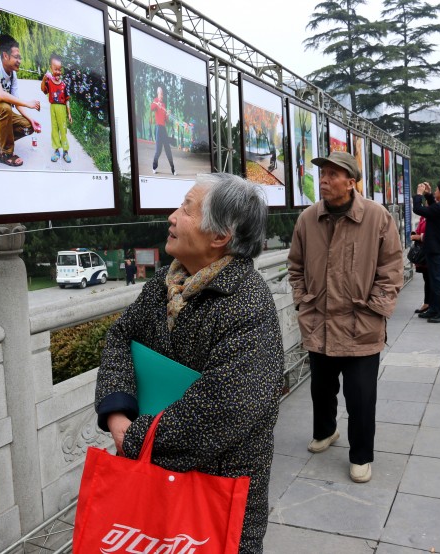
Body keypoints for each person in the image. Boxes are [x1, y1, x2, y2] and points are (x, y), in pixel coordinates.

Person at [95, 173, 283, 553]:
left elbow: (221, 411)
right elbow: (120, 338)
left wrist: (132, 437)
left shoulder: (248, 304)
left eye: (186, 208)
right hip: (154, 476)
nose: (172, 216)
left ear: (220, 236)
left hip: (218, 490)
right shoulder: (164, 284)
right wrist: (117, 413)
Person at [288, 151, 403, 484]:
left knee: (361, 396)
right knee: (321, 389)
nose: (323, 180)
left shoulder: (377, 217)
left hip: (360, 325)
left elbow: (392, 267)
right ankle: (326, 431)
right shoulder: (308, 218)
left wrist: (376, 308)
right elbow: (295, 266)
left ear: (351, 182)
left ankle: (361, 454)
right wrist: (301, 301)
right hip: (319, 322)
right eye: (321, 174)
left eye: (331, 175)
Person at [0, 34, 42, 167]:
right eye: (16, 57)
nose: (19, 60)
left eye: (20, 57)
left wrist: (31, 119)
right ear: (5, 56)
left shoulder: (13, 74)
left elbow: (16, 102)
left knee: (28, 126)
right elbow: (0, 95)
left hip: (1, 115)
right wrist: (28, 103)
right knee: (5, 106)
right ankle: (5, 154)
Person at [412, 179, 440, 323]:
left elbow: (418, 209)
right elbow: (433, 208)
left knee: (438, 282)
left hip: (437, 249)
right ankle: (434, 308)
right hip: (439, 247)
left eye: (437, 190)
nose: (435, 191)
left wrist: (419, 194)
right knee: (434, 281)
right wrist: (429, 194)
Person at [41, 53, 73, 163]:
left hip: (62, 108)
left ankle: (65, 151)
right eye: (55, 69)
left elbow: (67, 100)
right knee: (54, 130)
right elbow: (43, 89)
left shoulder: (64, 84)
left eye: (60, 69)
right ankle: (56, 151)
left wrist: (69, 113)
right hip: (53, 107)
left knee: (63, 130)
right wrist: (44, 78)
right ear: (51, 68)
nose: (58, 72)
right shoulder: (49, 82)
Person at [150, 86, 176, 176]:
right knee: (158, 151)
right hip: (158, 128)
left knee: (168, 149)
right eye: (161, 94)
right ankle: (154, 166)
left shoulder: (164, 105)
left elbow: (166, 120)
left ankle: (173, 169)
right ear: (158, 93)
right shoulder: (155, 100)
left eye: (162, 94)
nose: (162, 96)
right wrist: (157, 103)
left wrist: (167, 114)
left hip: (163, 129)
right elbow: (152, 108)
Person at [410, 216, 431, 313]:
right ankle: (427, 303)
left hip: (430, 253)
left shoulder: (434, 215)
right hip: (423, 252)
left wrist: (419, 237)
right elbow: (419, 229)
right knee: (427, 279)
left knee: (431, 280)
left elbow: (435, 235)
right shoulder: (424, 216)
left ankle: (431, 304)